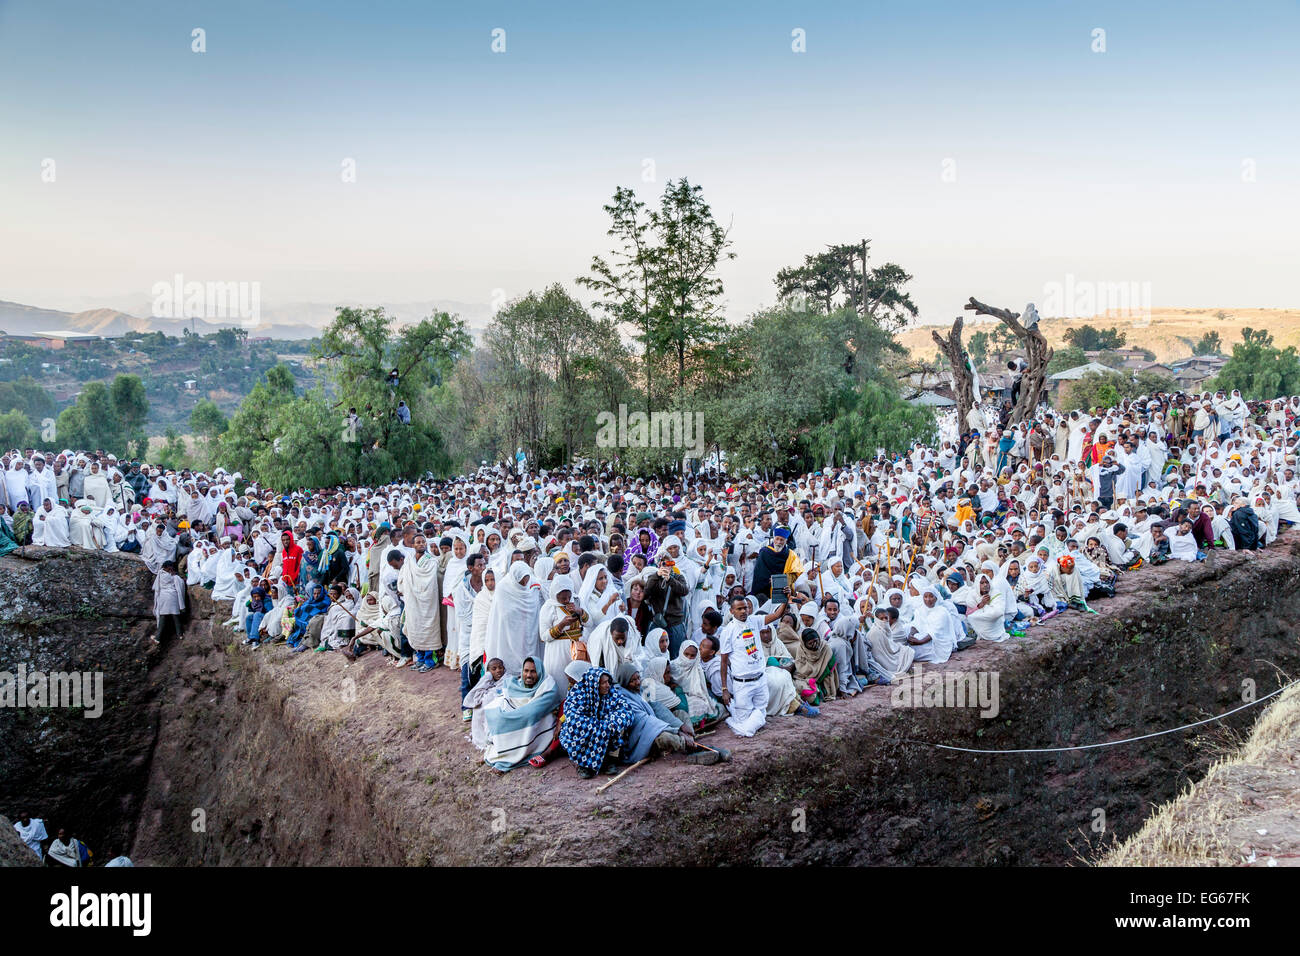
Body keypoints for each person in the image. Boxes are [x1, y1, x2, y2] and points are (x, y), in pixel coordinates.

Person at [559, 665, 636, 778]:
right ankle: (583, 765)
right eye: (603, 683)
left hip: (604, 727)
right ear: (594, 684)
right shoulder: (578, 694)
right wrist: (596, 726)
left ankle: (607, 760)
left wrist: (609, 723)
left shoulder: (611, 693)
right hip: (588, 729)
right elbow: (572, 717)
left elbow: (626, 709)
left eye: (608, 682)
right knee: (583, 729)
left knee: (615, 726)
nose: (607, 685)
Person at [482, 656, 559, 771]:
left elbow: (532, 711)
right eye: (526, 671)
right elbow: (505, 698)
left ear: (540, 671)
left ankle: (508, 757)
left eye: (533, 671)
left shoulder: (548, 686)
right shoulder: (515, 684)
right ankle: (498, 752)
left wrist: (511, 717)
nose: (528, 675)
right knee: (494, 712)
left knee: (516, 720)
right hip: (520, 714)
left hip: (536, 720)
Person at [716, 594, 769, 737]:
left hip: (760, 679)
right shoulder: (728, 631)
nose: (743, 611)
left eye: (745, 608)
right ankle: (745, 726)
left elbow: (776, 615)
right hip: (742, 683)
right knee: (751, 720)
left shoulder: (755, 621)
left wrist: (784, 598)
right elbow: (723, 661)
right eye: (739, 609)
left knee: (760, 712)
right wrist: (725, 688)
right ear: (732, 611)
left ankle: (743, 726)